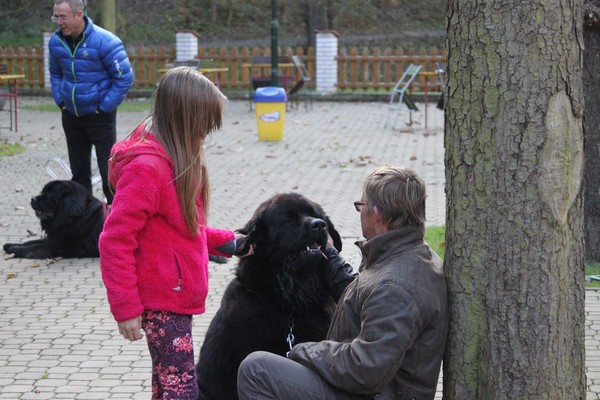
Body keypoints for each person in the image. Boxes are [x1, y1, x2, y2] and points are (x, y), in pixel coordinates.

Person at [237, 165, 448, 400]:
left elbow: (365, 369)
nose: (360, 212)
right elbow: (367, 298)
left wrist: (305, 350)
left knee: (256, 370)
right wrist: (329, 255)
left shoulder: (396, 287)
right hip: (378, 390)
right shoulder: (409, 255)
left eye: (361, 206)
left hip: (372, 393)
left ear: (376, 213)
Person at [99, 67, 241, 399]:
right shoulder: (147, 170)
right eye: (204, 126)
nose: (205, 134)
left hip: (175, 299)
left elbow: (184, 232)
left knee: (167, 386)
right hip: (162, 303)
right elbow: (114, 240)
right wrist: (126, 307)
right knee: (182, 390)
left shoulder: (175, 163)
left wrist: (231, 242)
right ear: (186, 121)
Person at [48, 0, 134, 205]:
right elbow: (55, 73)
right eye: (55, 17)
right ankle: (83, 218)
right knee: (79, 174)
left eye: (63, 17)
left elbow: (124, 78)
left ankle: (114, 216)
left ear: (79, 14)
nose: (58, 22)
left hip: (99, 117)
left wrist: (103, 108)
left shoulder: (106, 41)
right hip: (71, 115)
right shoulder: (55, 42)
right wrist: (61, 101)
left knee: (108, 173)